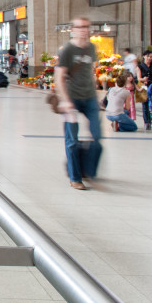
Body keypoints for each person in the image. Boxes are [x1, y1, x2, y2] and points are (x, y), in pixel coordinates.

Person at [53, 16, 102, 190]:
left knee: (97, 138)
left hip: (89, 98)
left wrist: (96, 94)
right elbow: (59, 77)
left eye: (87, 27)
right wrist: (65, 101)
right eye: (80, 27)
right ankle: (75, 177)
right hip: (71, 99)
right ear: (73, 29)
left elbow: (91, 72)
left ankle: (88, 170)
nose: (84, 30)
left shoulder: (91, 48)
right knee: (72, 140)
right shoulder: (67, 50)